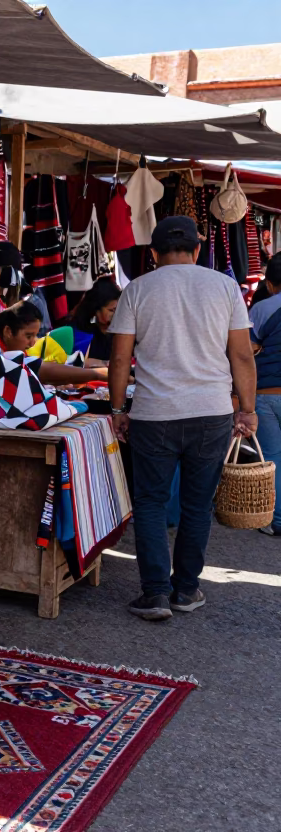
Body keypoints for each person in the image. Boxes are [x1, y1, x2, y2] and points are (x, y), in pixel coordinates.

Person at [108, 215, 256, 621]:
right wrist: (247, 408)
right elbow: (241, 355)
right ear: (196, 251)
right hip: (212, 413)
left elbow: (120, 358)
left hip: (155, 413)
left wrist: (118, 409)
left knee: (151, 502)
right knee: (197, 505)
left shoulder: (137, 289)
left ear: (153, 255)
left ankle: (155, 594)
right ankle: (186, 590)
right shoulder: (225, 287)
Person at [0, 301, 109, 385]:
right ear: (8, 332)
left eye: (35, 336)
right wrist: (98, 374)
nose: (33, 343)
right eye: (28, 336)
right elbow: (41, 371)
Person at [250, 253, 281, 536]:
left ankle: (278, 520)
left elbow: (245, 351)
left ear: (270, 283)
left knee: (272, 456)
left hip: (267, 393)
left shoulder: (261, 309)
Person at [68, 279, 122, 366]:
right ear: (96, 310)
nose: (116, 314)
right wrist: (105, 364)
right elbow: (76, 363)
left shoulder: (118, 331)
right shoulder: (79, 333)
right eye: (111, 310)